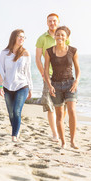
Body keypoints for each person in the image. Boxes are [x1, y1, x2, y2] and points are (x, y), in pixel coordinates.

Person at [44, 26, 80, 149]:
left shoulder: (73, 51)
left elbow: (78, 69)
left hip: (70, 84)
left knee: (72, 111)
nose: (60, 37)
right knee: (59, 115)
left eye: (62, 35)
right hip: (56, 85)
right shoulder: (49, 51)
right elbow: (45, 71)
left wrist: (76, 81)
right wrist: (49, 86)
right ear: (55, 36)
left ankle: (73, 141)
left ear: (67, 37)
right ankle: (63, 142)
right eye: (58, 34)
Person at [35, 13, 69, 142]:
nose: (52, 23)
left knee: (63, 105)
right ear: (47, 23)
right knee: (50, 105)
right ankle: (55, 134)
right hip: (48, 75)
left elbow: (68, 55)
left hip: (63, 76)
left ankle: (60, 126)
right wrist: (43, 74)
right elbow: (38, 58)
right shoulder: (42, 38)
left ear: (58, 22)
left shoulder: (64, 36)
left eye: (54, 21)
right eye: (50, 21)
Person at [0, 29, 33, 142]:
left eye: (23, 37)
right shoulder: (4, 53)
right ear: (13, 37)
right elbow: (1, 71)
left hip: (22, 86)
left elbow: (28, 72)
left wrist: (30, 88)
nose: (22, 39)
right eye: (19, 36)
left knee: (17, 110)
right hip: (7, 86)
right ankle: (16, 130)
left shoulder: (26, 53)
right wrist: (0, 86)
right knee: (11, 112)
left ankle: (14, 135)